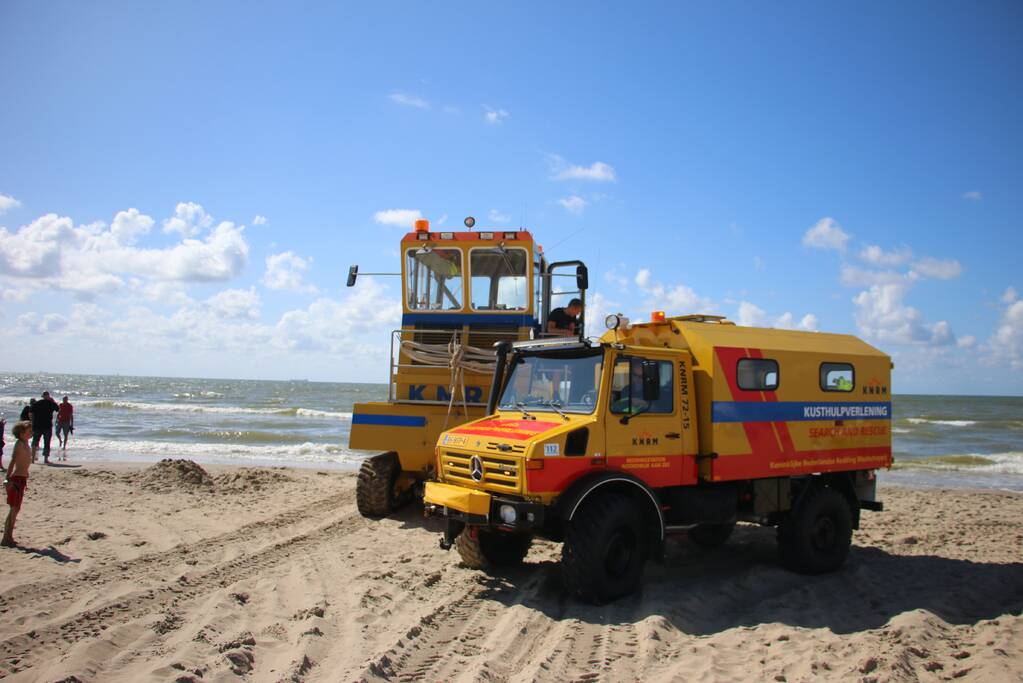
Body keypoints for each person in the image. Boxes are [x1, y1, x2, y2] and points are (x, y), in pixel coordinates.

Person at [3, 421, 33, 547]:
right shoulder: (19, 444)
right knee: (14, 509)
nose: (31, 433)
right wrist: (7, 478)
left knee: (16, 508)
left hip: (22, 478)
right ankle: (6, 538)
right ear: (21, 434)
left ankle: (9, 536)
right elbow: (13, 461)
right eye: (29, 431)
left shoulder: (26, 443)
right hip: (15, 479)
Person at [29, 392, 59, 465]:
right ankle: (45, 459)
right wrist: (53, 401)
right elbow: (58, 409)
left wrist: (32, 422)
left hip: (37, 425)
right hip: (47, 426)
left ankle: (32, 459)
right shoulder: (51, 403)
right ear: (48, 396)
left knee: (35, 442)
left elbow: (31, 413)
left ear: (42, 396)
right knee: (47, 442)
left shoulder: (37, 403)